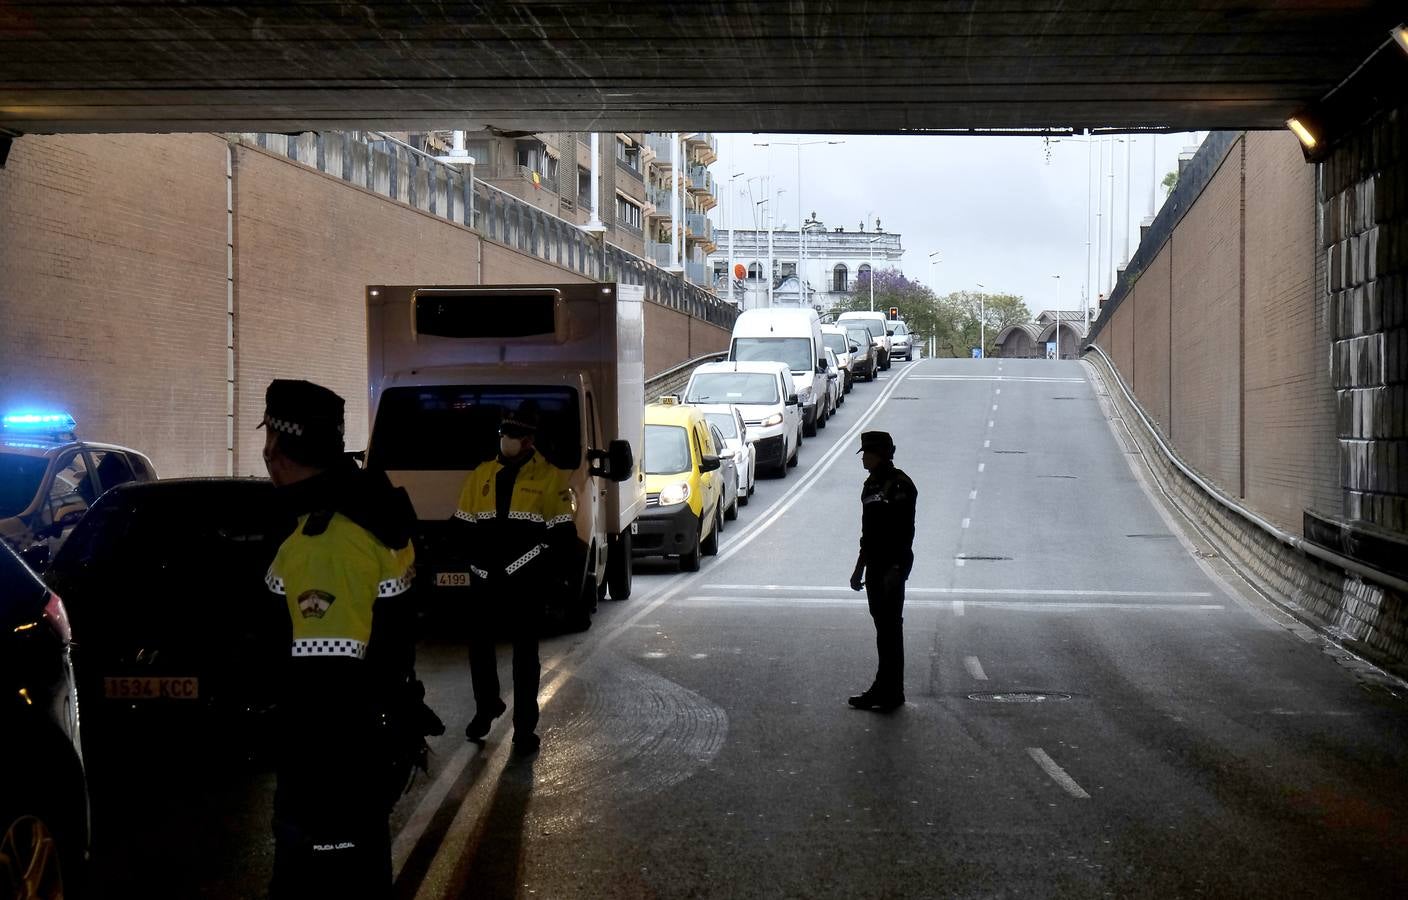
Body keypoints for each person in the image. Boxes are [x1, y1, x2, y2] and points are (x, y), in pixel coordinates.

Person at [261, 378, 440, 899]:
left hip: (332, 767)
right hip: (366, 748)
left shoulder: (326, 540)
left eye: (269, 437)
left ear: (278, 448)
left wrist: (313, 793)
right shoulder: (365, 504)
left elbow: (328, 682)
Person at [453, 400, 577, 754]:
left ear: (529, 439)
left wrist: (551, 577)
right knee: (479, 649)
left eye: (514, 433)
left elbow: (561, 535)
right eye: (504, 432)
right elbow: (462, 527)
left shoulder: (550, 478)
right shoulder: (481, 475)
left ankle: (524, 729)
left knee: (525, 657)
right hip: (484, 579)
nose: (507, 439)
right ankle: (486, 707)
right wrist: (471, 561)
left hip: (525, 583)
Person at [848, 430, 918, 711]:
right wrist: (859, 570)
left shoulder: (900, 486)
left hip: (892, 565)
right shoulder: (870, 486)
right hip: (875, 566)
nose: (864, 458)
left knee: (891, 629)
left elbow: (903, 533)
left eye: (868, 453)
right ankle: (884, 686)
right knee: (883, 629)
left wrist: (898, 569)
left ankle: (891, 689)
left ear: (882, 455)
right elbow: (868, 533)